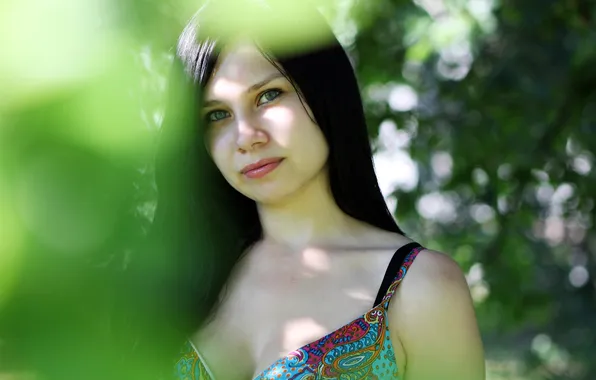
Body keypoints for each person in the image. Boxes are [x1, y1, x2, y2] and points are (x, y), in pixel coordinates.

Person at [153, 0, 486, 379]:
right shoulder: (180, 281)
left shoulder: (420, 287)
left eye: (268, 95)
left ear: (325, 92)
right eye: (217, 115)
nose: (246, 137)